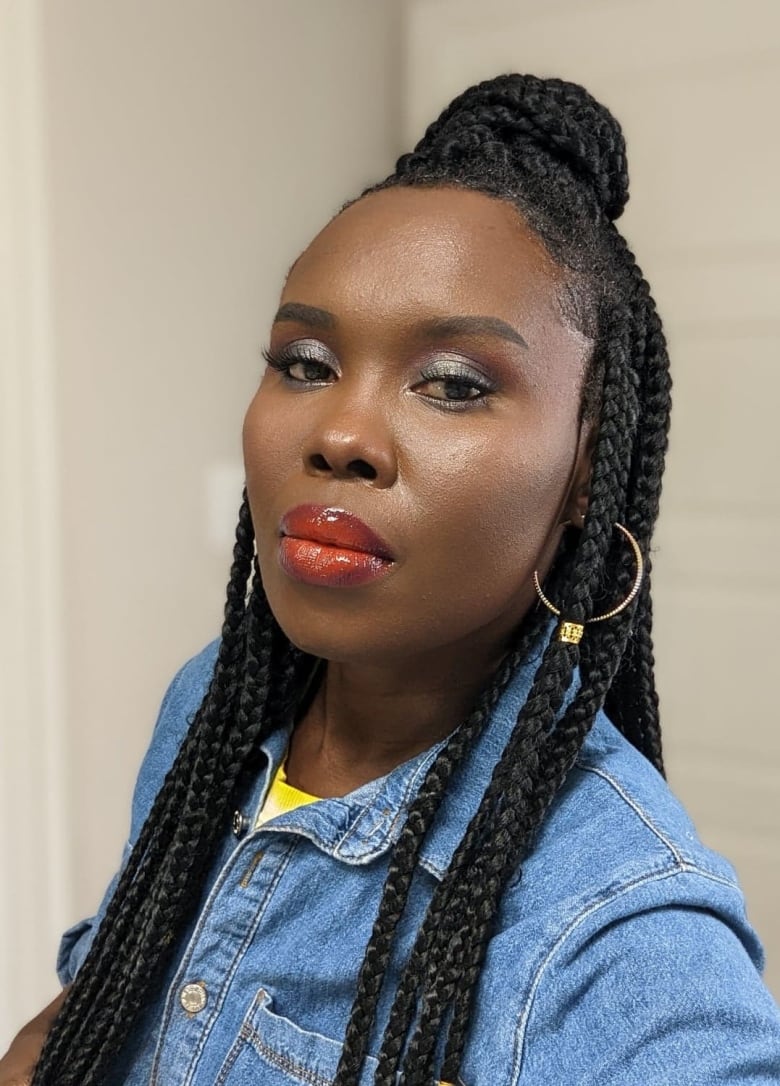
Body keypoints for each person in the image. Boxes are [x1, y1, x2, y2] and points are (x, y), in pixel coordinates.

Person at [3, 73, 780, 1086]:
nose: (339, 435)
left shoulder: (613, 925)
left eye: (453, 384)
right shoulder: (211, 705)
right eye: (307, 361)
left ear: (589, 467)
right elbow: (111, 988)